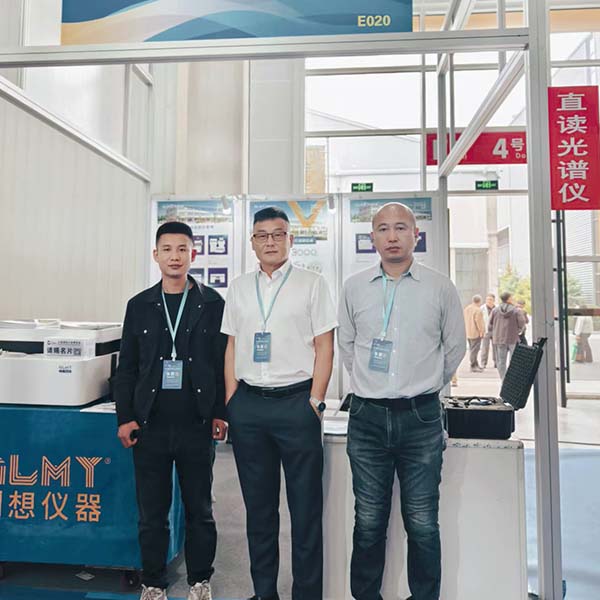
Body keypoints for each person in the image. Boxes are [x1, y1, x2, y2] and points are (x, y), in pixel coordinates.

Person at [338, 202, 466, 600]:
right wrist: (372, 383)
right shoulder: (354, 287)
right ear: (372, 237)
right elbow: (347, 345)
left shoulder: (440, 287)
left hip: (420, 417)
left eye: (400, 228)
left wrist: (425, 385)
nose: (391, 236)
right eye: (383, 229)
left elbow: (455, 347)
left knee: (423, 521)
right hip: (367, 417)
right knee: (368, 520)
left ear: (415, 235)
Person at [222, 206, 337, 600]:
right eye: (262, 235)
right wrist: (232, 400)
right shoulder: (239, 288)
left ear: (291, 239)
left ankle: (307, 594)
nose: (269, 241)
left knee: (305, 512)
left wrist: (315, 401)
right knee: (259, 511)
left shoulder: (312, 284)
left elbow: (325, 345)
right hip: (249, 407)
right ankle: (264, 592)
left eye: (277, 234)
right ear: (252, 242)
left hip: (296, 405)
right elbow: (231, 344)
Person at [114, 221, 228, 600]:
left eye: (182, 249)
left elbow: (221, 364)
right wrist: (125, 417)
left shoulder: (213, 305)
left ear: (193, 254)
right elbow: (127, 368)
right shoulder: (139, 306)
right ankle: (153, 583)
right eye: (167, 249)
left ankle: (200, 580)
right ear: (156, 255)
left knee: (200, 510)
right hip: (150, 426)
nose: (175, 257)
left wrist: (220, 413)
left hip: (196, 424)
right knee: (152, 513)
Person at [488, 291, 526, 380]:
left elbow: (490, 324)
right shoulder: (516, 310)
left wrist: (495, 332)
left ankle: (503, 379)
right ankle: (511, 379)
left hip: (499, 338)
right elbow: (522, 322)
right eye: (511, 297)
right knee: (513, 361)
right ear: (509, 299)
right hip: (513, 338)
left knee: (501, 361)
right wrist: (519, 331)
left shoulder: (495, 310)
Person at [463, 295, 485, 372]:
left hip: (468, 332)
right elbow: (479, 323)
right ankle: (473, 366)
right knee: (474, 350)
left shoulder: (466, 309)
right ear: (480, 301)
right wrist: (481, 332)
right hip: (476, 333)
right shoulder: (478, 310)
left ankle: (476, 364)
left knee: (472, 349)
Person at [480, 293, 497, 368]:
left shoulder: (497, 308)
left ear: (494, 300)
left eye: (490, 299)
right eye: (487, 299)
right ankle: (483, 363)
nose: (489, 301)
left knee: (495, 348)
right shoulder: (482, 308)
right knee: (485, 348)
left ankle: (496, 362)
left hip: (495, 331)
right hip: (486, 331)